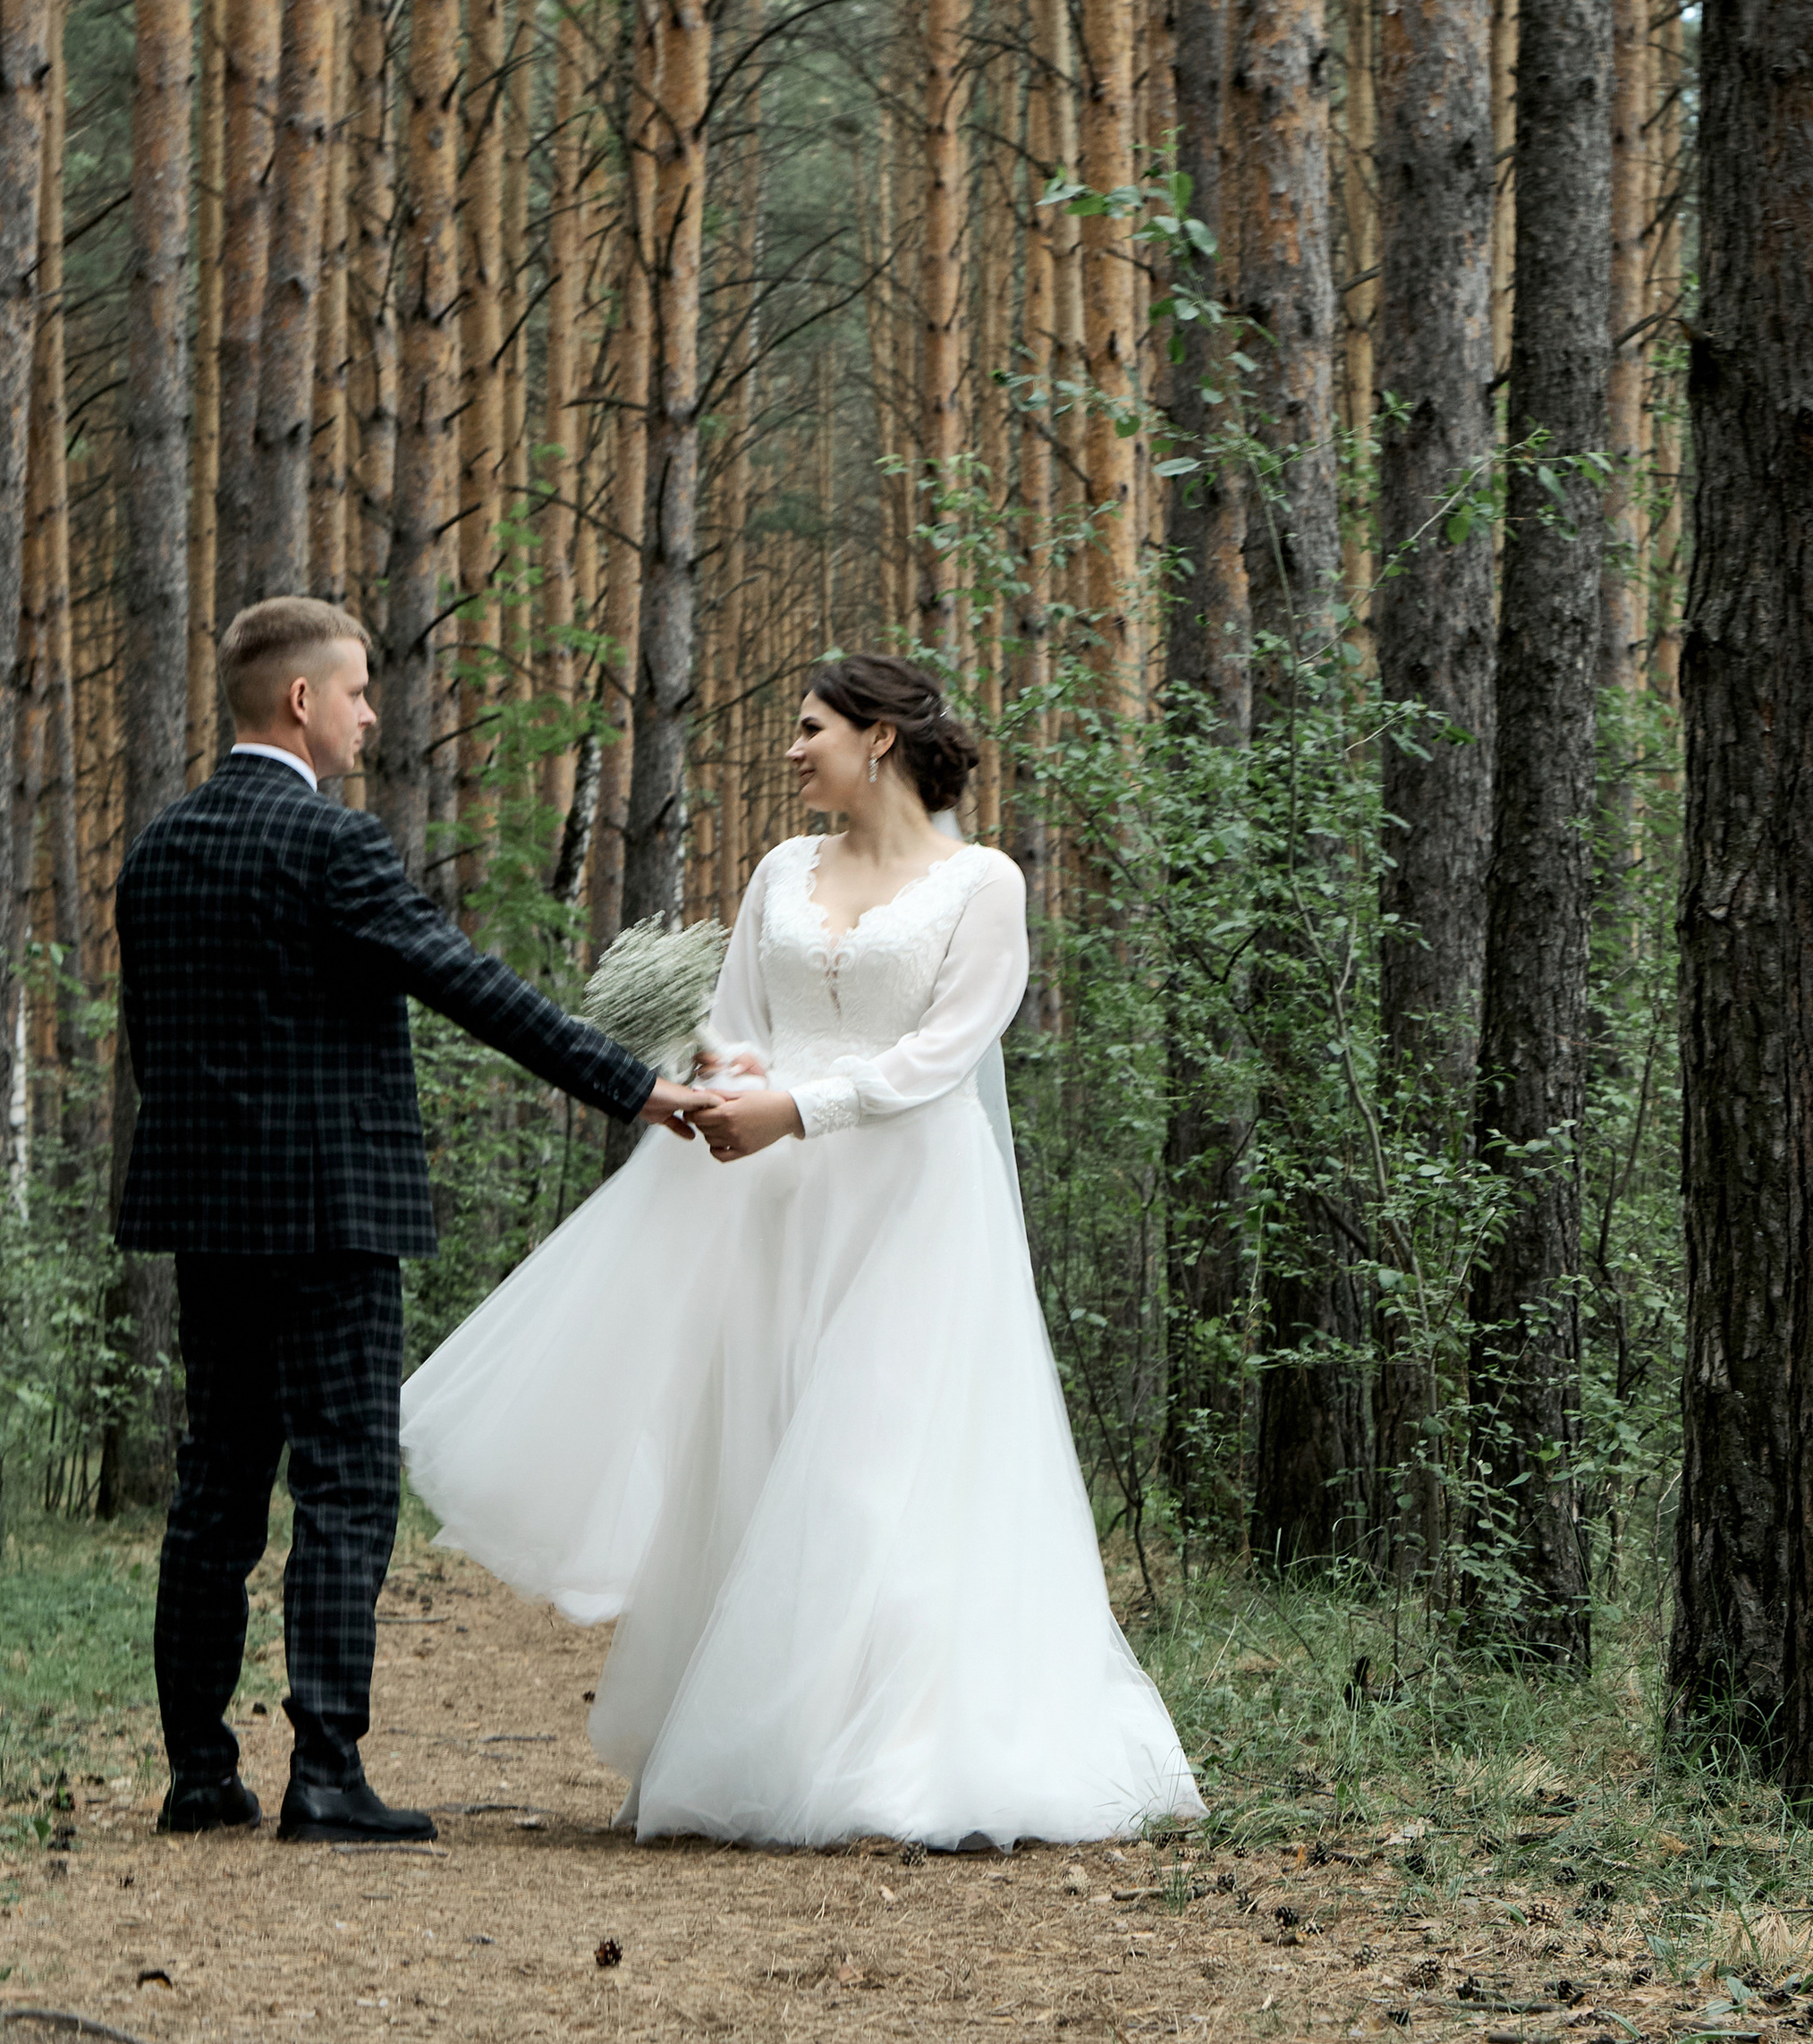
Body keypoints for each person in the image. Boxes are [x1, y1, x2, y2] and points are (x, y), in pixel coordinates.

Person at [401, 650, 1203, 1849]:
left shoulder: (982, 883)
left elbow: (948, 1049)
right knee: (769, 1444)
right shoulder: (785, 867)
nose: (792, 749)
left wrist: (804, 1109)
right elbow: (739, 1019)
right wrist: (733, 1087)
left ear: (879, 738)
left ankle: (889, 1754)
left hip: (911, 1200)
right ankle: (756, 1742)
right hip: (773, 1202)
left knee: (877, 1454)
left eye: (811, 727)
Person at [112, 595, 719, 1843]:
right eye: (358, 691)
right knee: (342, 1489)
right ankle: (325, 1779)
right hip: (333, 1220)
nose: (370, 713)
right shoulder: (333, 847)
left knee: (214, 1491)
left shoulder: (158, 850)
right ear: (301, 702)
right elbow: (467, 985)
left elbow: (156, 1047)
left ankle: (198, 1774)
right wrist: (635, 1086)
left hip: (204, 1217)